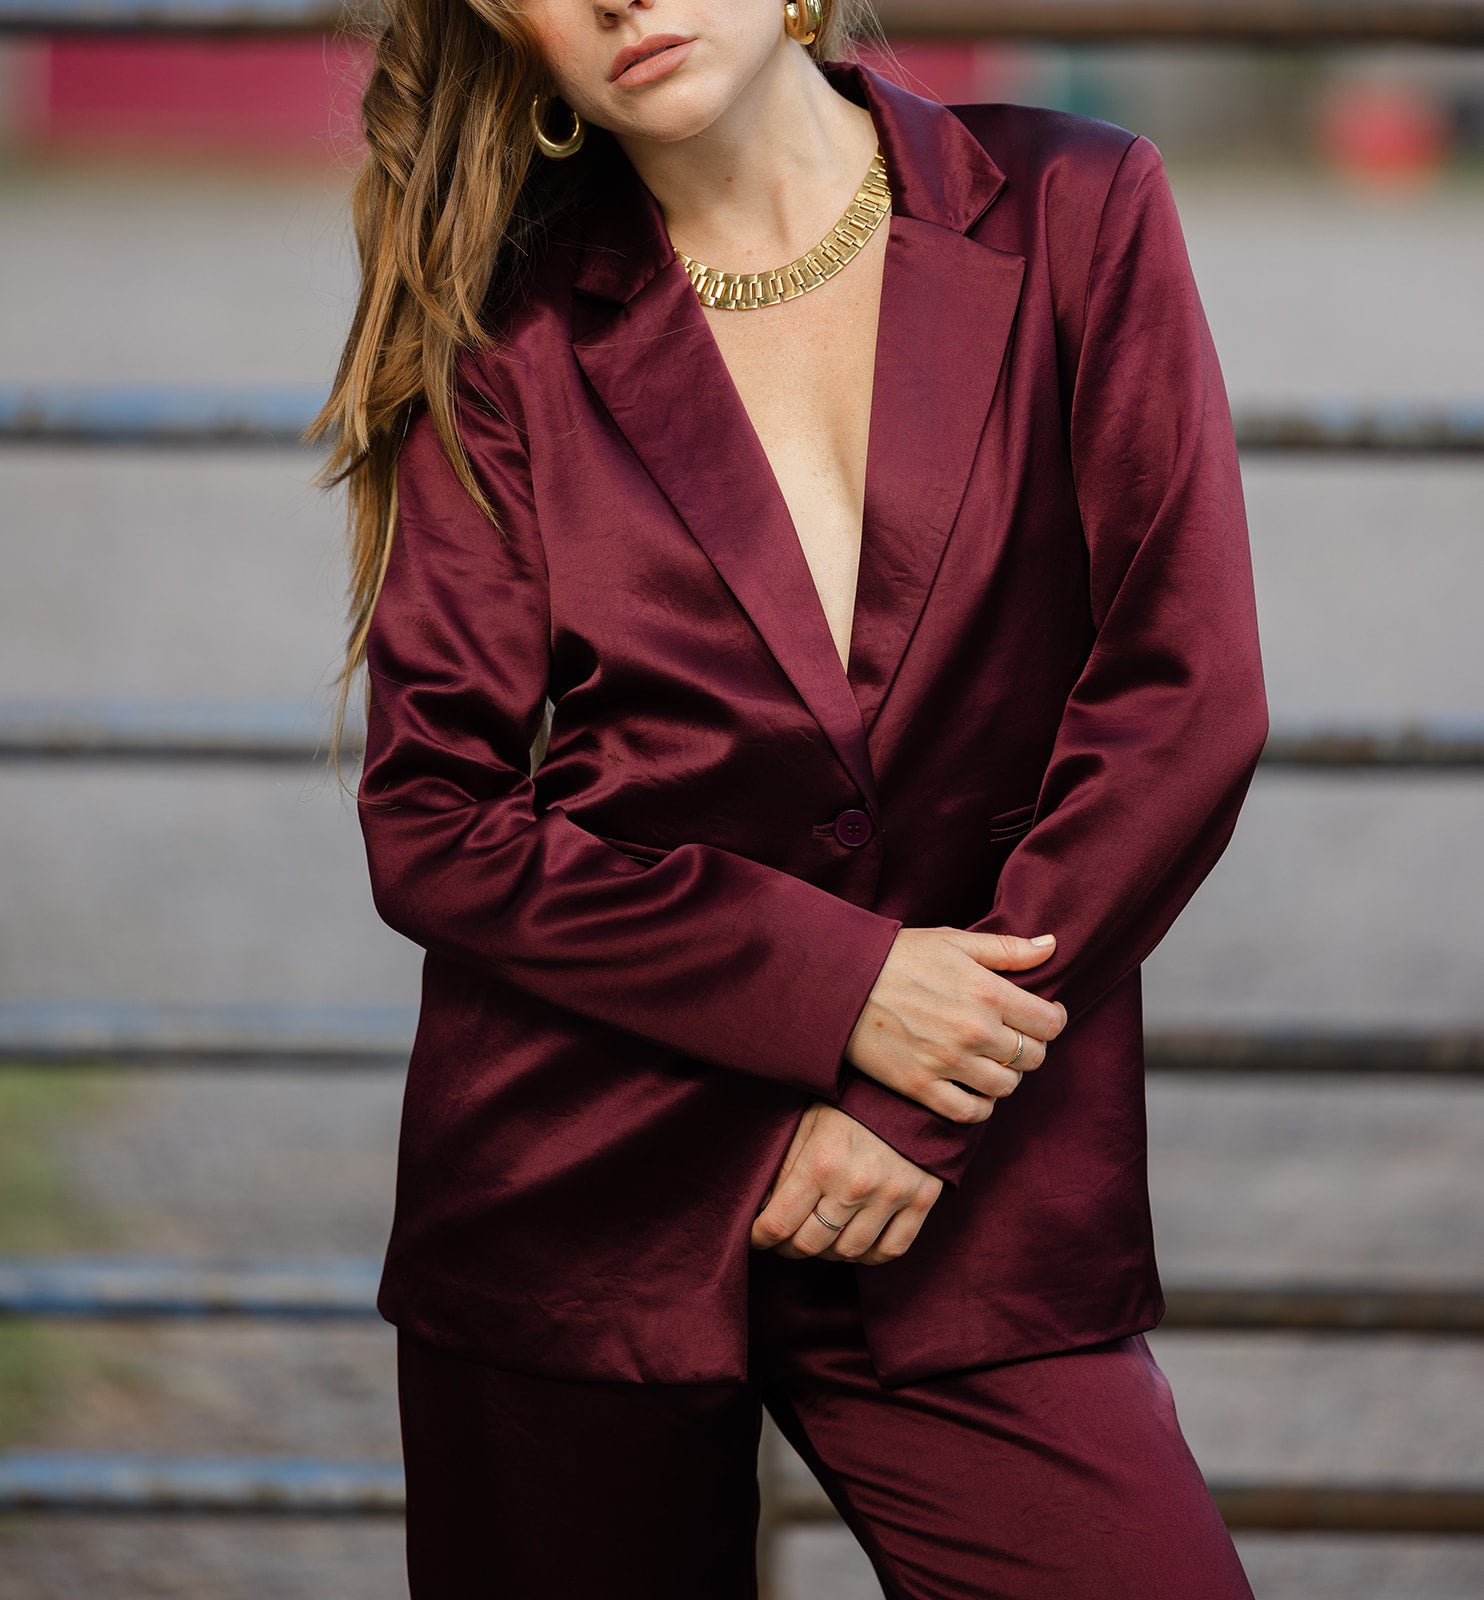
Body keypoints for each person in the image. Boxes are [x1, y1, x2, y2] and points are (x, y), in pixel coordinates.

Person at [307, 1, 1267, 1595]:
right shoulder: (503, 334)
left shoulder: (1077, 208)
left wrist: (918, 1099)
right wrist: (844, 986)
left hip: (966, 1188)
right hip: (577, 1201)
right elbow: (433, 818)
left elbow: (1187, 695)